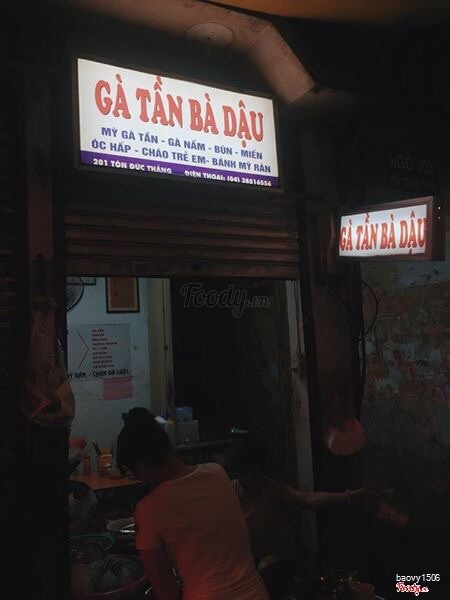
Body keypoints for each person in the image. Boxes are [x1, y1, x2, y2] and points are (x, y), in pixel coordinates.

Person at [117, 417, 269, 600]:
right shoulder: (217, 473)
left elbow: (166, 592)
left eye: (133, 472)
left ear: (141, 465)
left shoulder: (148, 510)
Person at [223, 435, 381, 598]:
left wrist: (351, 496)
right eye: (244, 473)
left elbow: (309, 499)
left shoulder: (271, 489)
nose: (249, 479)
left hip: (277, 562)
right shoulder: (228, 491)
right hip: (246, 564)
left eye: (255, 474)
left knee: (267, 569)